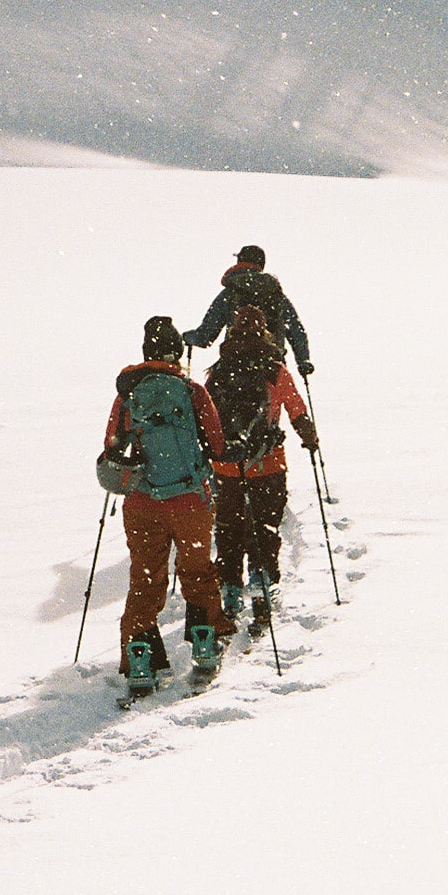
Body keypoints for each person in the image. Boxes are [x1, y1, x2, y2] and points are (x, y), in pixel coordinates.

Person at [100, 315, 235, 692]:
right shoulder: (191, 391)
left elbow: (112, 447)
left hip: (143, 503)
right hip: (190, 500)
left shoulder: (129, 394)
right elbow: (217, 444)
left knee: (146, 577)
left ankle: (141, 656)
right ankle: (205, 642)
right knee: (197, 570)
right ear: (176, 351)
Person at [205, 305, 318, 620]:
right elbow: (296, 410)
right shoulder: (275, 370)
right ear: (265, 331)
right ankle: (262, 578)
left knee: (228, 526)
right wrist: (310, 439)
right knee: (264, 525)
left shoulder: (219, 369)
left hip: (226, 466)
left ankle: (229, 586)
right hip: (267, 464)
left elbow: (209, 418)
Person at [182, 243, 313, 376]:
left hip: (234, 367)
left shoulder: (229, 294)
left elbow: (205, 337)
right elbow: (296, 331)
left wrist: (187, 338)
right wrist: (303, 361)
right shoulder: (277, 295)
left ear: (239, 261)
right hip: (271, 368)